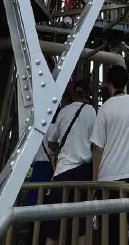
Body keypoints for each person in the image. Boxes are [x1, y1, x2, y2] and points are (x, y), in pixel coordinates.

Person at [92, 65, 129, 245]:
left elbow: (98, 148)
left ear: (109, 84)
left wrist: (95, 183)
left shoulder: (104, 109)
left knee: (111, 231)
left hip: (109, 179)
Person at [43, 80, 97, 245]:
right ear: (87, 95)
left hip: (62, 172)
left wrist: (57, 151)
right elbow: (96, 143)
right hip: (83, 172)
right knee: (82, 223)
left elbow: (51, 141)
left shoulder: (63, 112)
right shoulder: (91, 111)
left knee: (54, 226)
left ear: (73, 93)